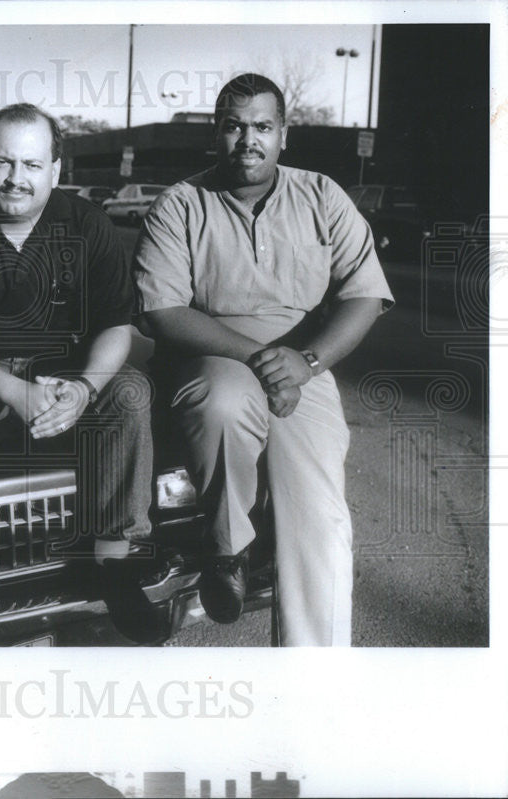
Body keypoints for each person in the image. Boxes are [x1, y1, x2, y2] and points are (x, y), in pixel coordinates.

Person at [133, 74, 394, 646]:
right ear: (215, 133)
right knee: (222, 401)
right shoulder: (181, 203)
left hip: (305, 368)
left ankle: (310, 684)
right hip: (215, 353)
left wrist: (307, 360)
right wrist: (260, 357)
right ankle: (229, 550)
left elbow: (365, 295)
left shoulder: (322, 195)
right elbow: (165, 311)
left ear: (283, 136)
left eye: (262, 127)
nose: (247, 139)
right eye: (233, 126)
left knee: (321, 523)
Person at [0, 103, 164, 644]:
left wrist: (84, 388)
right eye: (3, 163)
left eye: (31, 165)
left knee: (130, 392)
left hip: (63, 374)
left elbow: (116, 326)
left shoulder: (88, 225)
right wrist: (15, 391)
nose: (16, 179)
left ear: (55, 170)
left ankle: (113, 562)